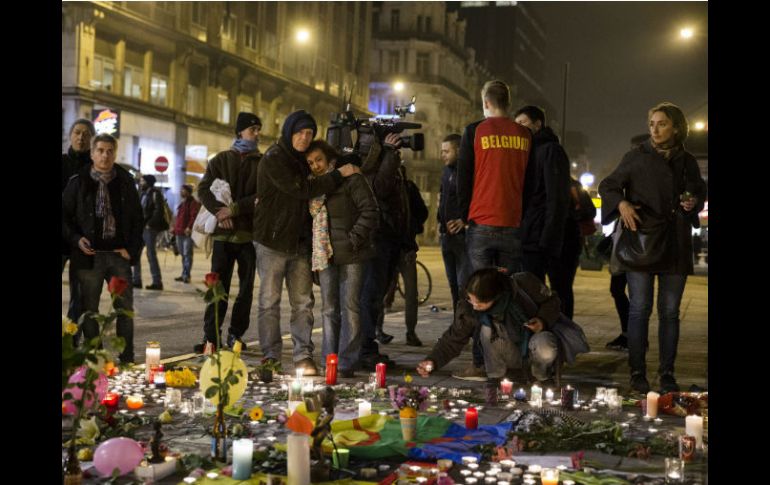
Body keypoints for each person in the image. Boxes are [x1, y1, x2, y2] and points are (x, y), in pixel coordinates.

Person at [598, 102, 707, 394]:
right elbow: (607, 186)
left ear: (676, 127)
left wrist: (692, 200)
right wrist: (621, 204)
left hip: (676, 244)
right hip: (641, 243)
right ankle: (637, 373)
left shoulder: (687, 160)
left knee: (670, 312)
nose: (655, 130)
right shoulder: (636, 157)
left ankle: (667, 373)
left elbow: (699, 190)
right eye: (651, 124)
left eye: (661, 124)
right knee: (639, 310)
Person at [253, 110, 361, 376]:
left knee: (303, 302)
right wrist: (338, 175)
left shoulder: (305, 160)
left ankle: (303, 355)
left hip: (300, 244)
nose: (304, 138)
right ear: (289, 132)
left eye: (309, 133)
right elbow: (301, 189)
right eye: (300, 132)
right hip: (273, 242)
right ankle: (271, 356)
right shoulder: (274, 158)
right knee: (269, 301)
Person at [455, 80, 532, 380]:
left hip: (481, 223)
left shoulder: (474, 131)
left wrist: (464, 215)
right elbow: (531, 181)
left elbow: (464, 176)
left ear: (486, 102)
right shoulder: (524, 134)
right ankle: (511, 360)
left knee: (478, 294)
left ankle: (480, 362)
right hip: (512, 223)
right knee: (508, 294)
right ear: (508, 102)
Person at [62, 133, 143, 364]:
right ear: (92, 153)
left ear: (115, 153)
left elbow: (138, 219)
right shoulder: (78, 181)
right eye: (100, 150)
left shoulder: (125, 181)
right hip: (89, 256)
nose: (105, 155)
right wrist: (76, 239)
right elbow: (64, 217)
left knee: (124, 309)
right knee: (89, 310)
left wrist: (132, 250)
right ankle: (93, 356)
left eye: (109, 151)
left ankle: (127, 357)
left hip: (118, 255)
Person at [306, 140, 379, 378]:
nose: (315, 165)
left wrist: (353, 239)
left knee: (350, 308)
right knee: (329, 309)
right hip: (324, 255)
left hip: (352, 254)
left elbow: (370, 211)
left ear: (330, 160)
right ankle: (330, 360)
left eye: (318, 160)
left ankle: (348, 361)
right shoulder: (313, 187)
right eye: (310, 162)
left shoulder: (352, 179)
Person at [416, 268, 560, 388]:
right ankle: (495, 376)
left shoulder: (523, 284)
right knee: (487, 329)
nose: (474, 306)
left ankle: (541, 375)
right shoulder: (470, 308)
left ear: (495, 297)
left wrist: (542, 320)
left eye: (479, 303)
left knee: (545, 344)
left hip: (533, 345)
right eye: (470, 299)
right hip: (506, 350)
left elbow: (552, 301)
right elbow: (454, 337)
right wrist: (433, 361)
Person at [195, 112, 262, 352]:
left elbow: (261, 197)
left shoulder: (261, 162)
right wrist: (217, 211)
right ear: (240, 132)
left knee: (245, 290)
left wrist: (231, 210)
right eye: (253, 129)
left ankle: (236, 334)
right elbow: (203, 190)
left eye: (258, 130)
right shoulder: (221, 159)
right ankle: (210, 337)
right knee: (217, 288)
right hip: (222, 237)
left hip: (248, 237)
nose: (257, 134)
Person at [513, 106, 572, 314]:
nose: (518, 128)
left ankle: (561, 336)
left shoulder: (550, 150)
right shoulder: (527, 152)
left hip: (543, 237)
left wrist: (549, 239)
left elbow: (557, 197)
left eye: (523, 123)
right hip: (530, 234)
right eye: (516, 124)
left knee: (556, 292)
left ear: (538, 124)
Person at [358, 133, 406, 370]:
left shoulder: (389, 161)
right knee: (369, 295)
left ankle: (368, 345)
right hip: (375, 237)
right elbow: (379, 188)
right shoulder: (368, 163)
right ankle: (364, 348)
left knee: (376, 296)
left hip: (388, 237)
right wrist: (388, 154)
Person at [62, 119, 95, 334]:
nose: (81, 137)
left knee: (80, 295)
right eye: (77, 133)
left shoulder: (95, 168)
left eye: (85, 134)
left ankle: (70, 341)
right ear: (70, 135)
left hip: (82, 239)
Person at [437, 134, 471, 311]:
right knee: (453, 285)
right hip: (446, 237)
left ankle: (467, 325)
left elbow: (475, 199)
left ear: (458, 150)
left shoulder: (468, 172)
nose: (443, 155)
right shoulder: (446, 172)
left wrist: (464, 221)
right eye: (442, 151)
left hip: (462, 238)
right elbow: (443, 200)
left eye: (446, 151)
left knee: (463, 284)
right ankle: (459, 324)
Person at [137, 174, 167, 290]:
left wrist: (150, 224)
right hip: (141, 227)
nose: (140, 183)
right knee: (136, 253)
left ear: (148, 182)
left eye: (142, 181)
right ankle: (136, 280)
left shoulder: (155, 193)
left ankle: (157, 281)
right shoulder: (142, 193)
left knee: (151, 254)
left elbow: (159, 210)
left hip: (149, 228)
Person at [173, 184, 201, 283]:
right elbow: (178, 218)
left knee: (187, 254)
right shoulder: (182, 203)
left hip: (187, 233)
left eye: (183, 190)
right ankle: (183, 273)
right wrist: (174, 229)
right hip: (179, 232)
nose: (181, 192)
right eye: (181, 190)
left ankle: (187, 275)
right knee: (183, 254)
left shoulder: (193, 203)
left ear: (188, 192)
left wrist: (189, 227)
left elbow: (194, 216)